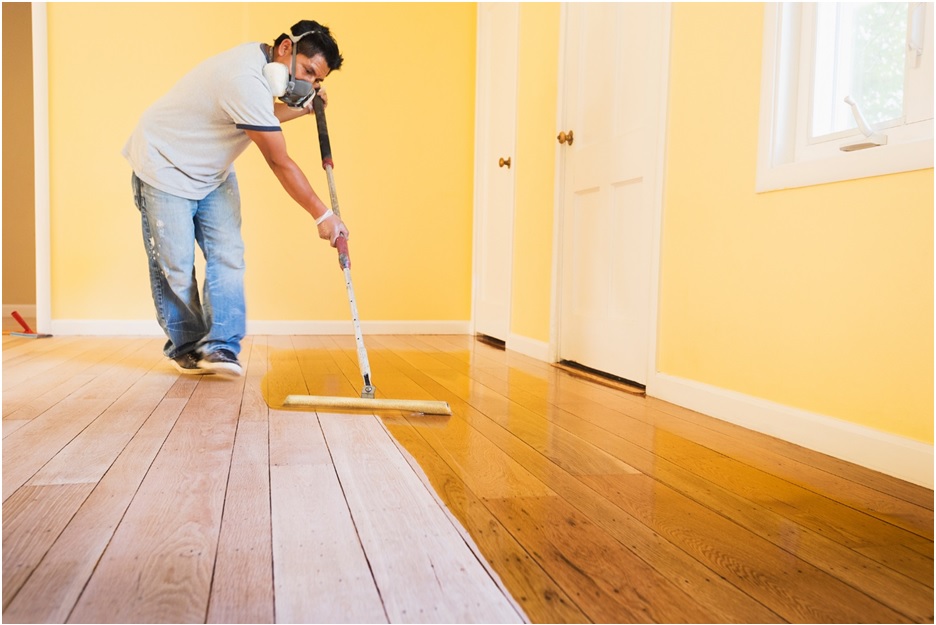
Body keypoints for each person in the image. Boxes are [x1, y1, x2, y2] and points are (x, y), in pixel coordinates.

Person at [124, 20, 348, 377]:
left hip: (211, 169)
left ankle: (221, 348)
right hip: (165, 163)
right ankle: (187, 347)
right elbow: (279, 161)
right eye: (307, 72)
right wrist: (323, 216)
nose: (309, 83)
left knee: (228, 254)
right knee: (176, 265)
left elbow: (260, 115)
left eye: (317, 80)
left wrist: (305, 108)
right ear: (286, 49)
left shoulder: (259, 77)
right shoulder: (243, 78)